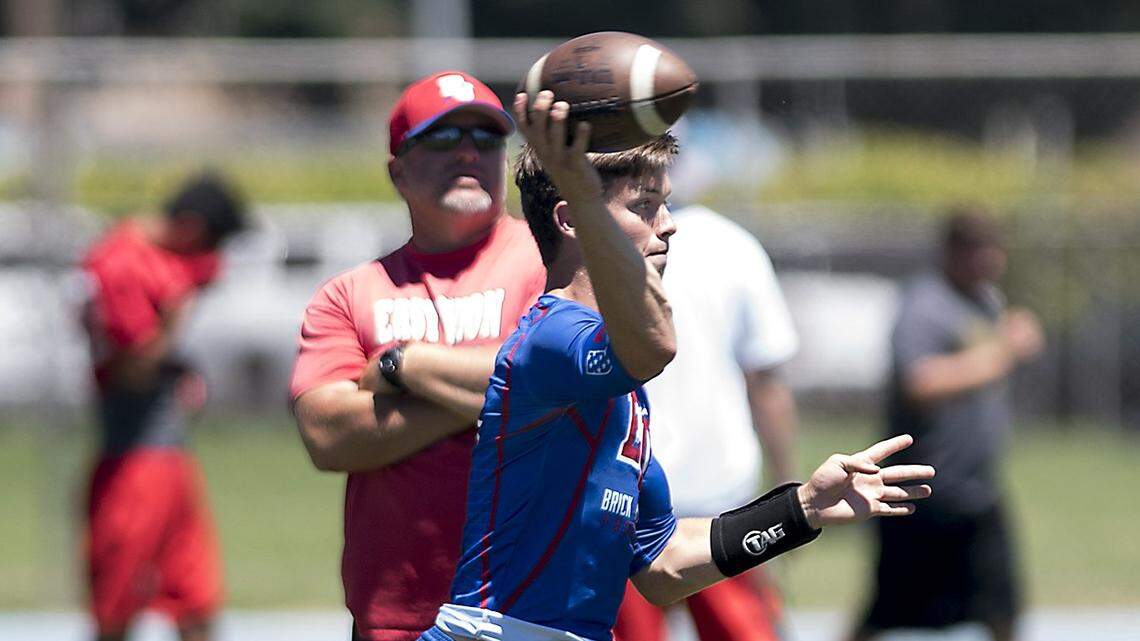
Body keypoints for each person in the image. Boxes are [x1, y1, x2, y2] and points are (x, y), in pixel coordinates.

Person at [411, 90, 936, 641]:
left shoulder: (621, 391)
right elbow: (654, 347)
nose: (669, 224)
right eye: (643, 206)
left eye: (666, 203)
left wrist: (803, 508)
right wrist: (593, 208)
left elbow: (660, 564)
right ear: (571, 219)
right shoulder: (552, 339)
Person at [289, 71, 546, 641]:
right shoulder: (350, 294)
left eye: (485, 139)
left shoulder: (551, 265)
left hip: (529, 612)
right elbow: (329, 437)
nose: (467, 152)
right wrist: (495, 397)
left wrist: (400, 366)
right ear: (397, 170)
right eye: (442, 137)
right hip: (396, 618)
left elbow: (559, 386)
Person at [848, 207, 1043, 641]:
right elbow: (922, 380)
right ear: (954, 251)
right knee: (885, 612)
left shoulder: (986, 301)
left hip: (978, 489)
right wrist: (1004, 353)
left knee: (1002, 608)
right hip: (924, 491)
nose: (991, 262)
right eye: (980, 252)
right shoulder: (925, 304)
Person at [614, 204, 801, 641]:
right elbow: (766, 379)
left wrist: (786, 492)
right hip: (645, 498)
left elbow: (765, 377)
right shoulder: (731, 243)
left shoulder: (728, 245)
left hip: (700, 498)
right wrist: (785, 479)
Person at [80, 172, 247, 641]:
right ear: (192, 229)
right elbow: (131, 368)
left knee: (196, 599)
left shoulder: (158, 258)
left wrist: (180, 369)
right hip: (133, 460)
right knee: (117, 606)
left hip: (168, 454)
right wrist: (178, 315)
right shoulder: (121, 264)